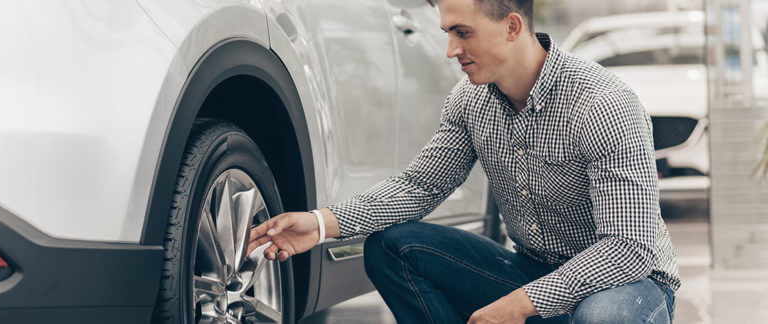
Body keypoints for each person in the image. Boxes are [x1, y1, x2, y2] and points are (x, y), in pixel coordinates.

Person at [248, 0, 680, 322]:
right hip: (532, 267)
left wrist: (520, 304)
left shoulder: (604, 104)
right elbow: (419, 187)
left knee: (602, 318)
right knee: (393, 247)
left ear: (512, 27)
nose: (450, 50)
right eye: (447, 33)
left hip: (627, 285)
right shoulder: (470, 100)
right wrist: (321, 223)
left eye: (463, 32)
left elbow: (628, 247)